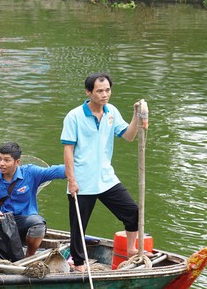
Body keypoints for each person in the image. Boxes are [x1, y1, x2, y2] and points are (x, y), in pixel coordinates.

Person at [61, 72, 146, 272]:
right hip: (82, 180)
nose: (104, 94)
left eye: (107, 90)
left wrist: (136, 115)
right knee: (78, 229)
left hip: (106, 179)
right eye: (99, 91)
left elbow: (129, 136)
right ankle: (80, 265)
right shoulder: (75, 116)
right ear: (88, 92)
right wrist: (71, 180)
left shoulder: (111, 112)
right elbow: (68, 150)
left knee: (133, 212)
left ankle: (132, 249)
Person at [0, 142, 66, 257]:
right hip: (1, 220)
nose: (1, 164)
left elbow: (56, 171)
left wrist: (75, 168)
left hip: (23, 221)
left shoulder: (31, 172)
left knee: (38, 224)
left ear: (17, 162)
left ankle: (29, 256)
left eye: (7, 160)